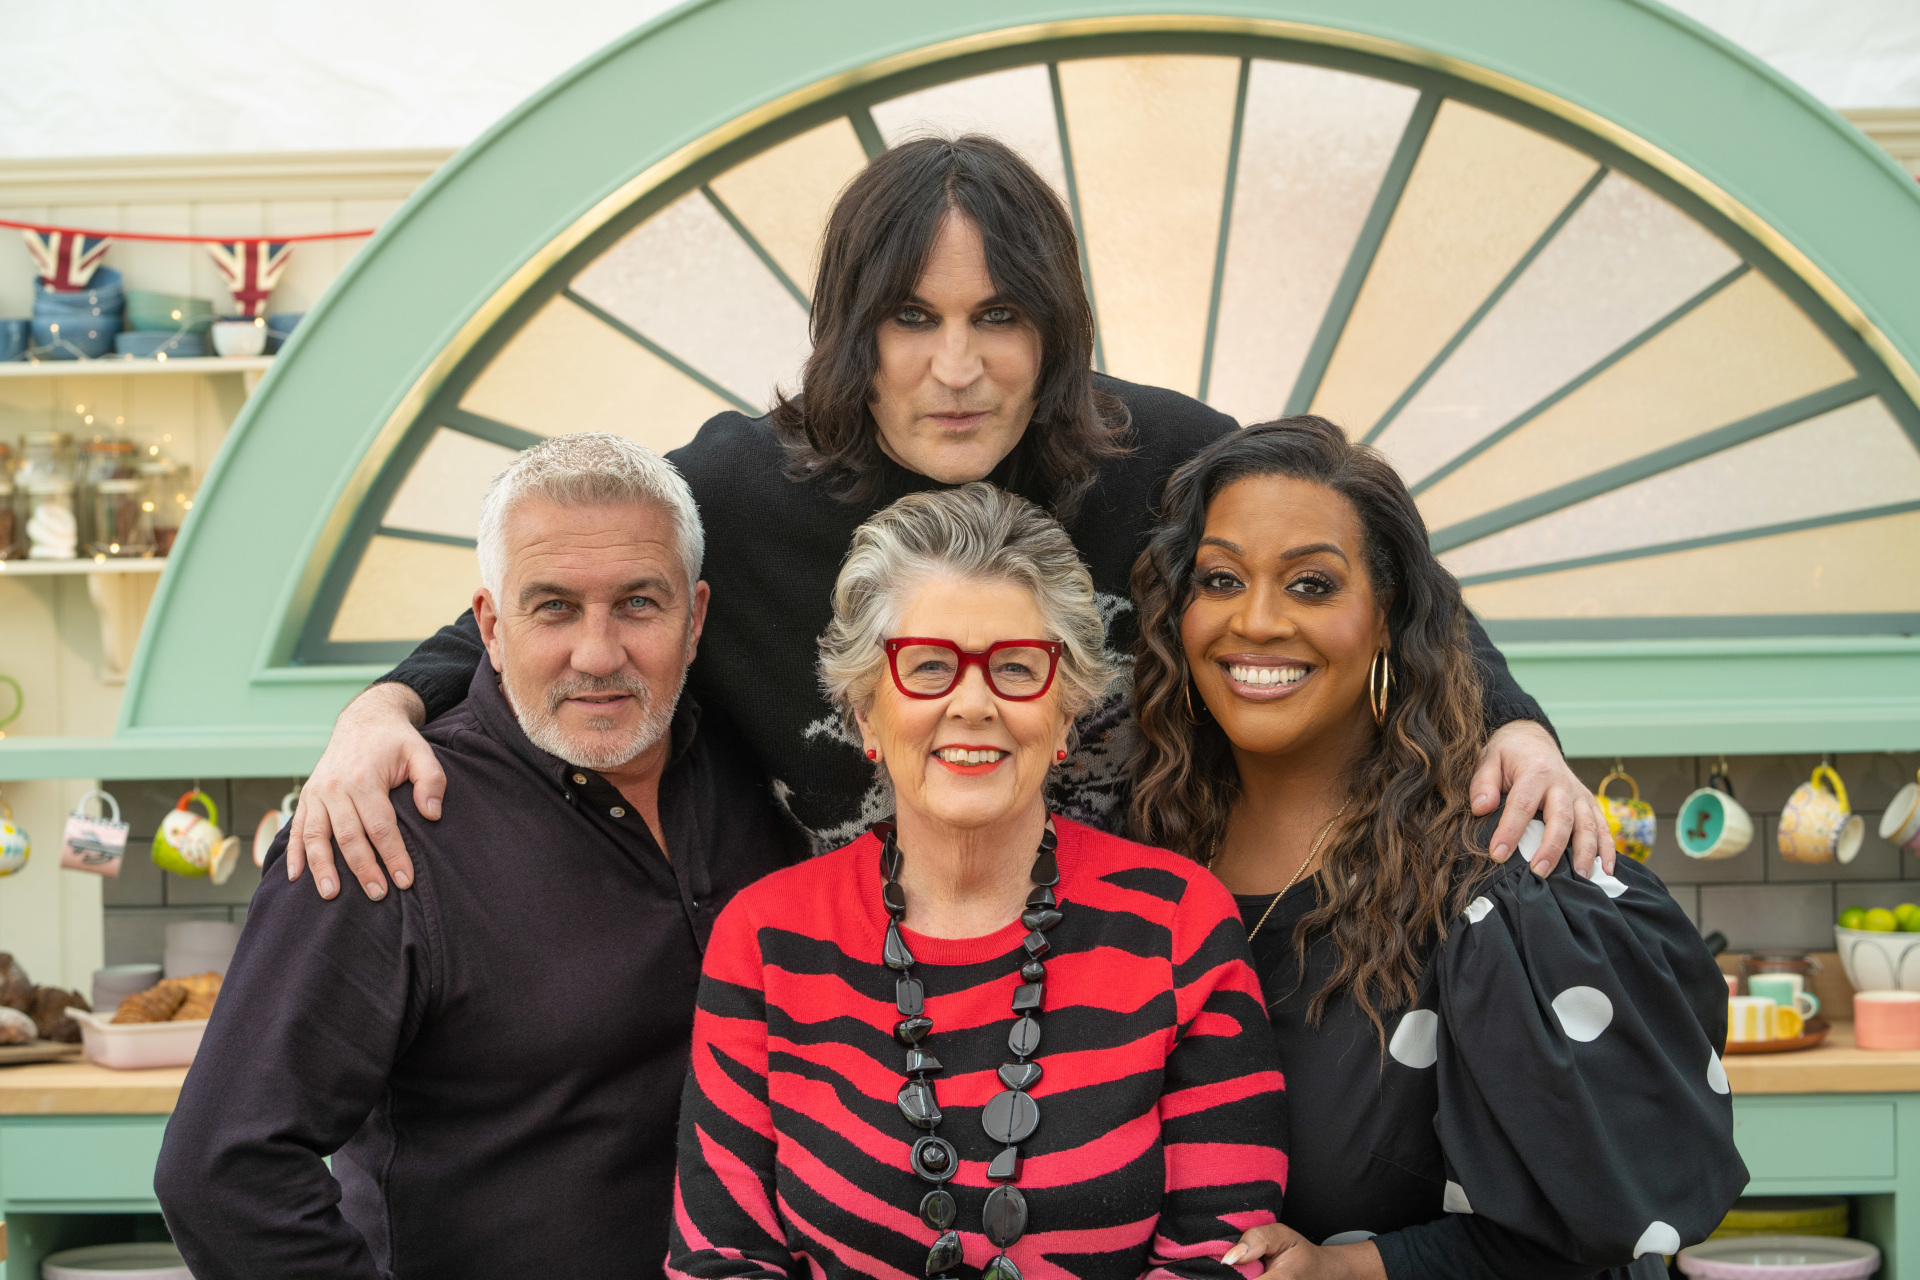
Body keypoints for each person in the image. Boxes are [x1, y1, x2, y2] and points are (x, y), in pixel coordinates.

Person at [287, 134, 1608, 905]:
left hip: (1152, 981)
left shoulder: (1171, 461)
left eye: (998, 319)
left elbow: (1384, 576)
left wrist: (1518, 728)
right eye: (912, 320)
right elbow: (557, 612)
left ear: (1057, 333)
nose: (957, 369)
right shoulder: (741, 491)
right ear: (850, 333)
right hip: (853, 1011)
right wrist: (376, 715)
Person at [155, 435, 803, 1280]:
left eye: (640, 604)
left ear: (698, 617)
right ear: (491, 625)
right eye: (555, 608)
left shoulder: (758, 772)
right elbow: (222, 1174)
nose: (598, 654)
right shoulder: (379, 832)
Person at [1127, 420, 1744, 1280]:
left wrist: (1350, 1271)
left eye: (1311, 585)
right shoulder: (1134, 868)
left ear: (1388, 619)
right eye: (1221, 579)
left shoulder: (1502, 884)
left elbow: (1609, 1224)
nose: (1257, 621)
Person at [666, 484, 1287, 1280]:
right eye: (926, 667)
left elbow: (1222, 1255)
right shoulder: (766, 937)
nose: (972, 704)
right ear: (865, 710)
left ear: (1066, 712)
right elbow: (722, 1259)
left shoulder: (1177, 923)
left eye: (1016, 668)